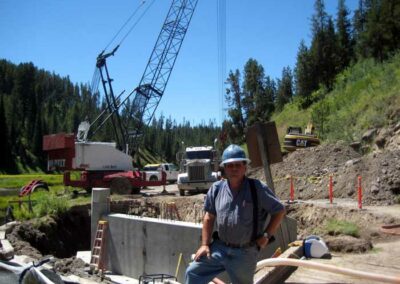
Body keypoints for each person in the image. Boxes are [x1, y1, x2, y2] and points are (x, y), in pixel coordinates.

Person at [185, 144, 286, 284]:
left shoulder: (257, 188)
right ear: (224, 168)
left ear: (245, 167)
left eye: (238, 165)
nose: (234, 168)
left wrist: (267, 236)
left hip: (245, 252)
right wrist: (205, 244)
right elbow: (209, 217)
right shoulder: (216, 189)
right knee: (193, 273)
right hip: (219, 248)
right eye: (230, 165)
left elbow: (279, 211)